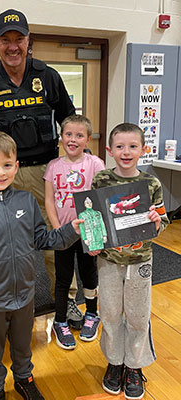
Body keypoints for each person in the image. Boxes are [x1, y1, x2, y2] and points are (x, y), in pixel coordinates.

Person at [0, 131, 84, 400]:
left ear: (16, 166)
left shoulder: (26, 201)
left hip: (25, 296)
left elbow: (43, 239)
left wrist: (71, 229)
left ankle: (24, 379)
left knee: (24, 346)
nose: (0, 173)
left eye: (6, 165)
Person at [0, 9, 77, 311]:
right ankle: (3, 305)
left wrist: (75, 163)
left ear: (29, 40)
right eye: (5, 39)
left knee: (56, 238)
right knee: (4, 244)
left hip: (45, 173)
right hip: (3, 178)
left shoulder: (48, 76)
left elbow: (70, 122)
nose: (13, 46)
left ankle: (66, 300)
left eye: (19, 39)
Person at [91, 123, 169, 399]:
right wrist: (92, 242)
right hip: (109, 261)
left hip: (140, 261)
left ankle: (134, 366)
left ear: (143, 150)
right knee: (110, 314)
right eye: (120, 147)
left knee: (138, 316)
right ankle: (114, 362)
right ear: (110, 151)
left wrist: (157, 221)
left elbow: (164, 221)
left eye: (133, 146)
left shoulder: (151, 184)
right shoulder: (101, 180)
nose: (126, 152)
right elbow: (94, 219)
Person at [44, 115, 105, 349]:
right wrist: (59, 229)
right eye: (68, 134)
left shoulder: (95, 164)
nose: (73, 139)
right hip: (65, 233)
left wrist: (97, 230)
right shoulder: (53, 166)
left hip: (89, 232)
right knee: (63, 278)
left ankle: (91, 313)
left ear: (88, 139)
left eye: (79, 135)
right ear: (61, 138)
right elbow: (49, 201)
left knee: (89, 275)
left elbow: (100, 197)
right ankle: (60, 321)